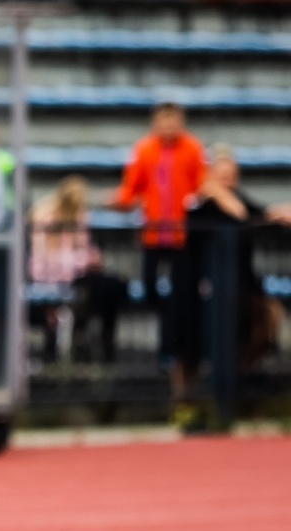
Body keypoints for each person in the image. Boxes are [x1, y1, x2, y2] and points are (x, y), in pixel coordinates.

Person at [107, 102, 208, 420]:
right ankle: (168, 329)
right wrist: (120, 201)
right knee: (150, 288)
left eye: (173, 122)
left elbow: (199, 185)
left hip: (181, 237)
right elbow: (131, 186)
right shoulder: (144, 150)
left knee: (181, 296)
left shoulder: (191, 149)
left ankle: (173, 341)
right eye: (163, 122)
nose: (167, 128)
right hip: (153, 235)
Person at [185, 147, 291, 383]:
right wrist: (215, 193)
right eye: (221, 175)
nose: (227, 180)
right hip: (212, 287)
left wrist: (278, 212)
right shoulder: (203, 206)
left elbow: (257, 212)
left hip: (243, 284)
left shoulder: (237, 196)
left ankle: (241, 374)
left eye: (230, 174)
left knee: (268, 320)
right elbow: (240, 214)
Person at [29, 176, 126, 363]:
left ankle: (102, 341)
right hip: (51, 278)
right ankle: (87, 343)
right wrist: (82, 260)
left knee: (113, 286)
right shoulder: (46, 219)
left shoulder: (79, 218)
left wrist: (90, 259)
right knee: (98, 288)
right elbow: (45, 262)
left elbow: (86, 251)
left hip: (78, 278)